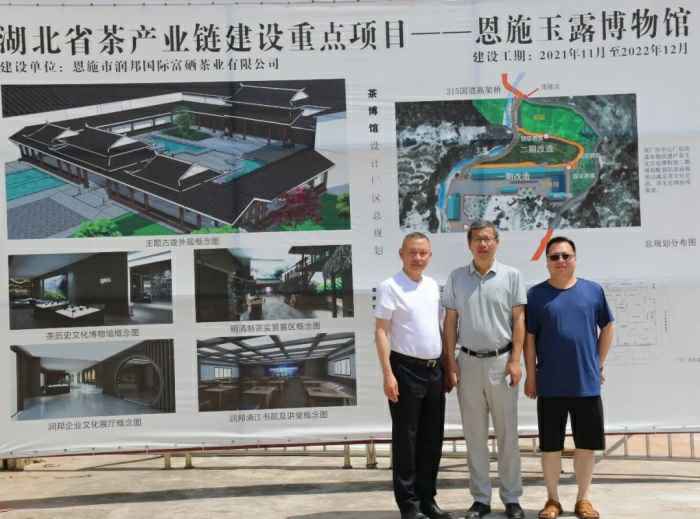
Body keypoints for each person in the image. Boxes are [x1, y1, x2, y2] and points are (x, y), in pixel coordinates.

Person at [524, 236, 614, 519]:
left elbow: (608, 326)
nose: (560, 261)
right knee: (551, 447)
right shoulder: (535, 295)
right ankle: (552, 500)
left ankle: (583, 500)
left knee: (586, 446)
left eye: (566, 256)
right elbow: (529, 338)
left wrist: (597, 363)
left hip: (586, 385)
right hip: (550, 384)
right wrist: (530, 375)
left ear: (575, 258)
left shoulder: (593, 291)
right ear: (547, 262)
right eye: (554, 257)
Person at [442, 221, 527, 519]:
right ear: (469, 243)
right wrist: (450, 361)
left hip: (501, 363)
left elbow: (519, 320)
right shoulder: (456, 277)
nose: (483, 244)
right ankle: (480, 499)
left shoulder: (512, 276)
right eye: (478, 239)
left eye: (488, 239)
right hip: (467, 363)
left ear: (497, 242)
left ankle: (512, 498)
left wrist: (515, 360)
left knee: (507, 434)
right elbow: (450, 322)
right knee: (474, 435)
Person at [375, 232, 452, 519]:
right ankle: (409, 504)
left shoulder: (432, 286)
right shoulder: (390, 286)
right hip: (404, 370)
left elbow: (439, 328)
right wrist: (388, 374)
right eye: (412, 252)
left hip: (434, 370)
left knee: (432, 438)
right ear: (401, 254)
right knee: (406, 440)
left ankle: (428, 499)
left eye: (423, 253)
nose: (417, 258)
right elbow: (381, 331)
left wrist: (448, 366)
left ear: (429, 256)